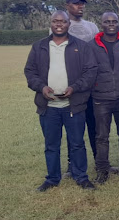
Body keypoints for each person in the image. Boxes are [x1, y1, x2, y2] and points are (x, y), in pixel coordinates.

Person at [24, 11, 97, 191]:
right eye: (55, 21)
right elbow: (30, 72)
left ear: (68, 24)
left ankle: (81, 177)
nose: (59, 24)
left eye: (63, 22)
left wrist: (74, 87)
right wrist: (41, 87)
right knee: (51, 144)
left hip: (73, 105)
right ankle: (52, 178)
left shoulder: (80, 46)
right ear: (51, 23)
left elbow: (90, 71)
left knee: (77, 143)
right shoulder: (39, 46)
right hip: (48, 107)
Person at [89, 12, 119, 184]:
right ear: (101, 24)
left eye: (114, 21)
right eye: (107, 21)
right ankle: (102, 170)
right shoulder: (92, 44)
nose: (111, 24)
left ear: (118, 23)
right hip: (101, 97)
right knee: (102, 136)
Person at [63, 0, 100, 166]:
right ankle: (73, 165)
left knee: (96, 126)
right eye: (77, 4)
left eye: (82, 4)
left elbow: (97, 53)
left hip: (92, 84)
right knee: (75, 128)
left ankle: (100, 162)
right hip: (72, 86)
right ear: (67, 5)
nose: (81, 7)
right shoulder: (62, 26)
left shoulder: (91, 27)